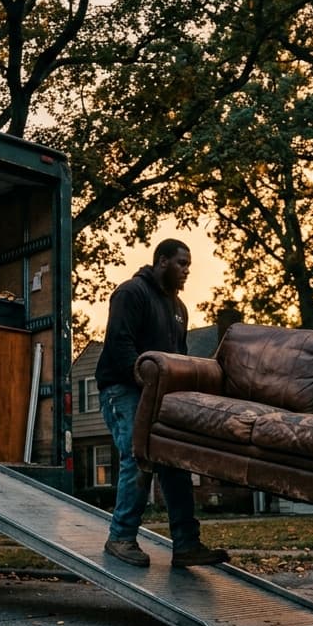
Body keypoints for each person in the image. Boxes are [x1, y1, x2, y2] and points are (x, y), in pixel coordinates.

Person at [96, 239, 229, 568]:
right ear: (161, 261)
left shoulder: (179, 309)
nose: (186, 271)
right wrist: (145, 381)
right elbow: (119, 344)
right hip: (122, 389)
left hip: (158, 396)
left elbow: (178, 358)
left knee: (175, 460)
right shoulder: (131, 293)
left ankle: (186, 545)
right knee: (137, 454)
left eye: (188, 265)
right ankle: (121, 538)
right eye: (181, 263)